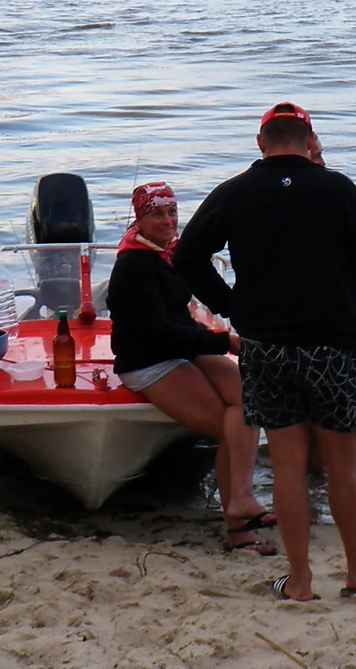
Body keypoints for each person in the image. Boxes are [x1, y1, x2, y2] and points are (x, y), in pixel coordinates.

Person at [173, 102, 356, 602]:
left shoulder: (234, 192)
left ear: (261, 143)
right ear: (310, 139)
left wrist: (229, 304)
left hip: (265, 346)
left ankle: (299, 581)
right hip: (330, 345)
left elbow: (186, 255)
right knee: (343, 465)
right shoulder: (337, 188)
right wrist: (332, 269)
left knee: (287, 464)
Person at [105, 181, 277, 556]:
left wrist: (247, 315)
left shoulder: (172, 253)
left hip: (182, 346)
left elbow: (191, 311)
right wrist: (223, 342)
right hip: (148, 359)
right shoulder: (133, 265)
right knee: (228, 426)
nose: (168, 221)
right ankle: (239, 527)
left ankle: (241, 498)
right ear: (139, 219)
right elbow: (158, 333)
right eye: (157, 214)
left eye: (172, 212)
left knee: (250, 398)